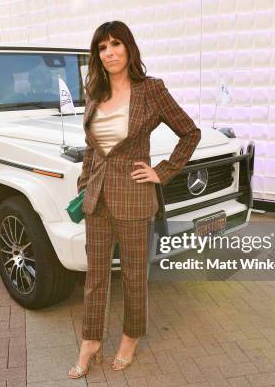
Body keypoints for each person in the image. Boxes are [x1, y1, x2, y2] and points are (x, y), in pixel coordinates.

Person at [68, 21, 201, 379]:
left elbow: (190, 132)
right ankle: (90, 341)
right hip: (96, 199)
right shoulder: (95, 92)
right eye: (102, 47)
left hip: (133, 198)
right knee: (95, 277)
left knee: (133, 276)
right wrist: (84, 185)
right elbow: (93, 149)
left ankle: (131, 336)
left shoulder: (151, 90)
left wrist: (164, 171)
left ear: (129, 48)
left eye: (115, 44)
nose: (109, 52)